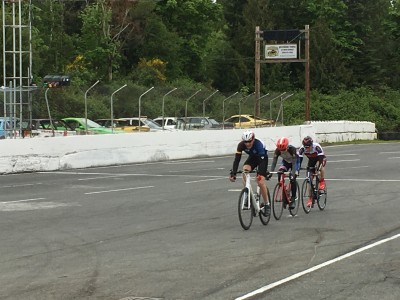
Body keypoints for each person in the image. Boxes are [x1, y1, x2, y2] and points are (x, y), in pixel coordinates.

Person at [229, 130, 270, 212]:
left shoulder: (258, 144)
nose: (247, 144)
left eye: (249, 141)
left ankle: (267, 204)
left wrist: (262, 172)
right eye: (245, 142)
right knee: (244, 171)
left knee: (260, 181)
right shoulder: (241, 145)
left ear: (253, 139)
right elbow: (237, 160)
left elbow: (261, 160)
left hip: (262, 158)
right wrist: (233, 173)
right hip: (253, 158)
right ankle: (247, 192)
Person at [270, 137, 300, 209]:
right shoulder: (277, 151)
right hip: (286, 162)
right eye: (281, 150)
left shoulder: (292, 150)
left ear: (287, 146)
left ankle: (293, 199)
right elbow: (274, 162)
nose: (282, 151)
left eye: (283, 149)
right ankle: (284, 193)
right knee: (280, 173)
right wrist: (270, 173)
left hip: (295, 162)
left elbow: (294, 164)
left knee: (293, 179)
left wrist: (293, 174)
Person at [298, 136, 327, 207]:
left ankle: (322, 181)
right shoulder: (302, 149)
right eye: (305, 147)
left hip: (320, 159)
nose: (306, 149)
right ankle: (310, 198)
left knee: (318, 167)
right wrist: (298, 168)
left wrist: (318, 169)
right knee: (309, 180)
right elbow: (299, 160)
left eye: (308, 147)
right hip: (311, 161)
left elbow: (320, 160)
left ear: (311, 145)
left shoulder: (316, 147)